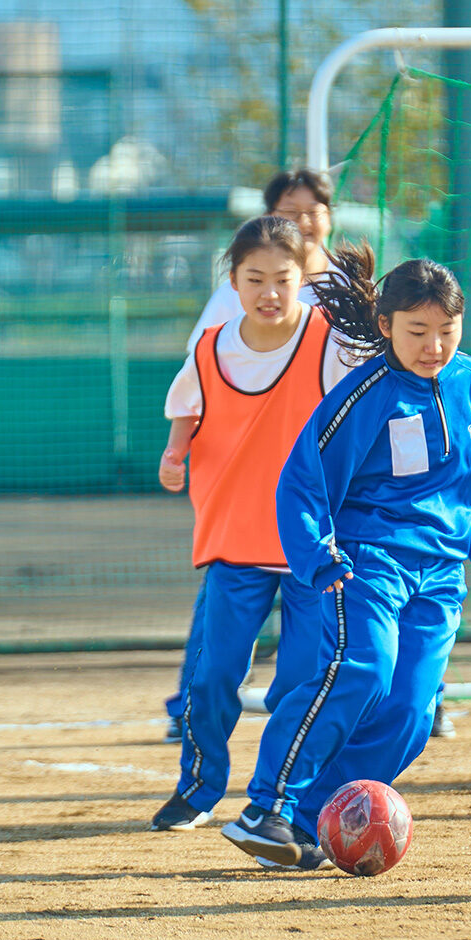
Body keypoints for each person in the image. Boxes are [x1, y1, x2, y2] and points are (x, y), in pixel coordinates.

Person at [220, 257, 471, 868]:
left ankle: (310, 823)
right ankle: (268, 807)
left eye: (447, 329)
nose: (433, 345)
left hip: (442, 575)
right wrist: (318, 555)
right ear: (387, 326)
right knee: (363, 670)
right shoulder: (364, 394)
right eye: (417, 331)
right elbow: (302, 482)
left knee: (412, 714)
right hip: (367, 562)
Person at [161, 169, 391, 741]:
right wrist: (177, 452)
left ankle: (297, 771)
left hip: (314, 515)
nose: (305, 219)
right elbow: (196, 387)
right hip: (240, 509)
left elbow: (370, 394)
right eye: (292, 209)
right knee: (218, 651)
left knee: (316, 655)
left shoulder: (345, 313)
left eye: (315, 209)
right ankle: (193, 738)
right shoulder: (224, 325)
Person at [148, 216, 355, 833]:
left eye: (283, 279)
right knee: (213, 675)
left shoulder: (331, 343)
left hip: (310, 545)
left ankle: (281, 796)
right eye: (254, 278)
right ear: (233, 282)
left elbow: (357, 420)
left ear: (305, 280)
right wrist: (174, 452)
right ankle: (199, 786)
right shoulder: (211, 347)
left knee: (300, 680)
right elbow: (186, 405)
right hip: (235, 539)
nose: (269, 291)